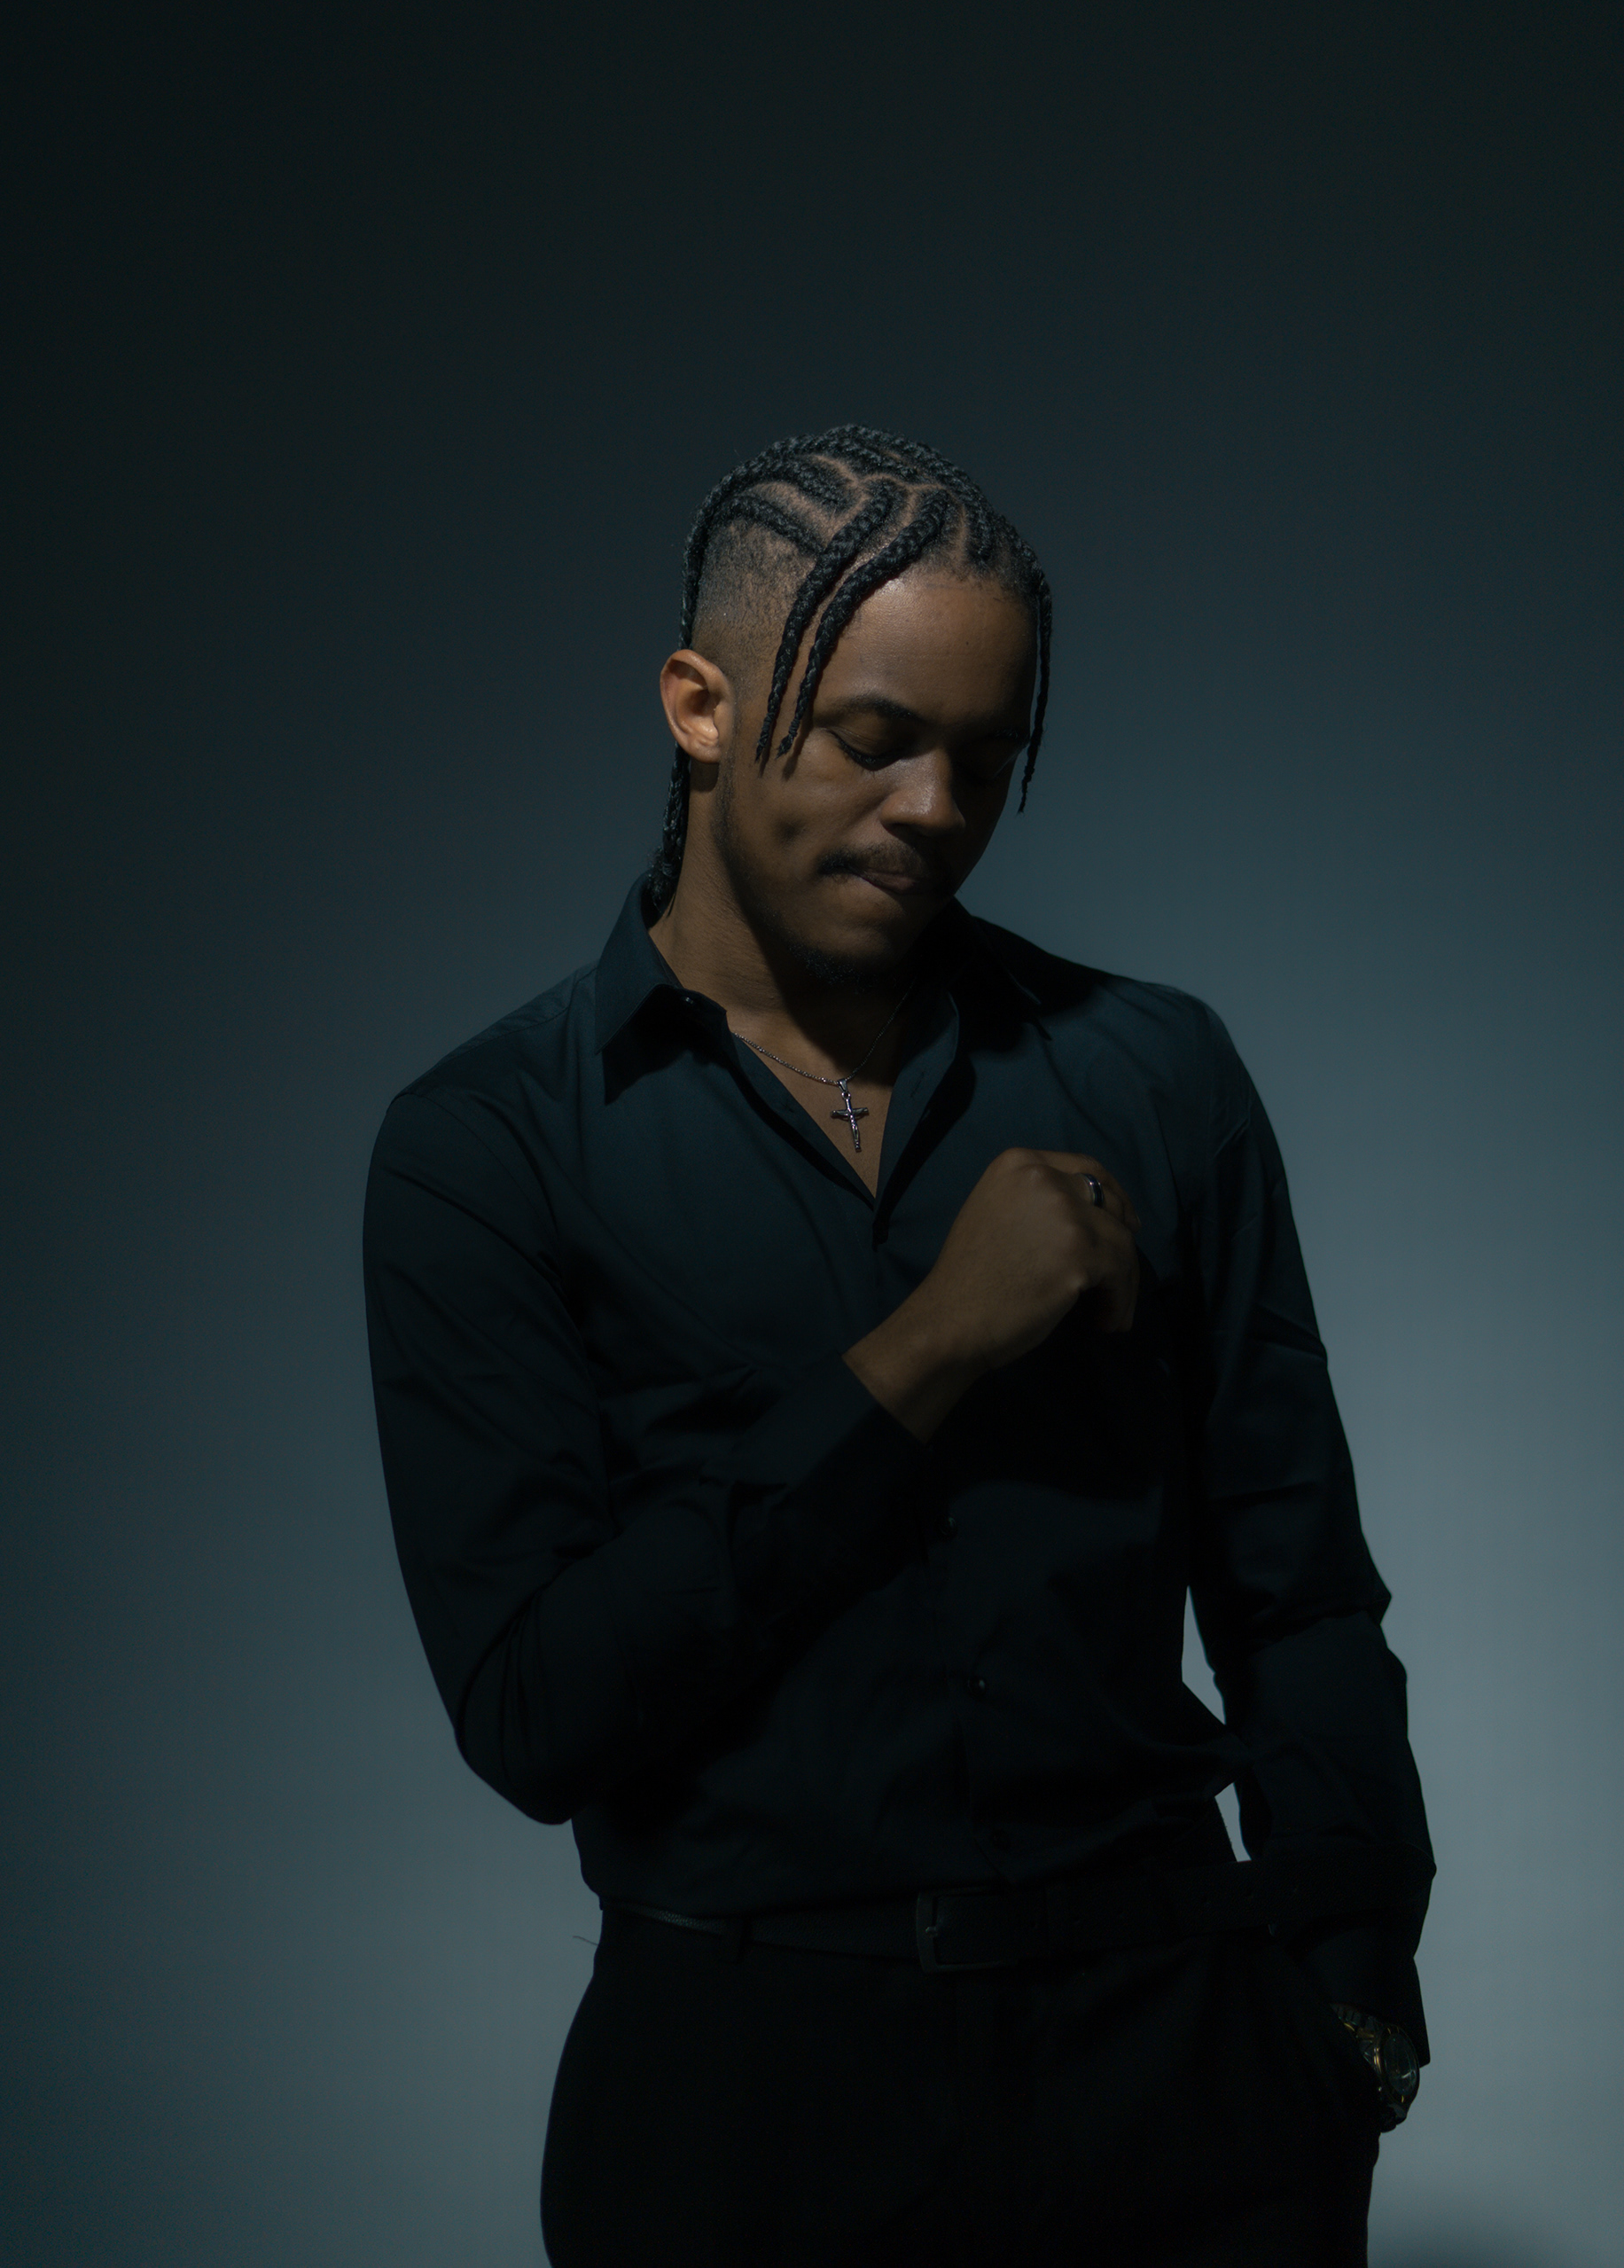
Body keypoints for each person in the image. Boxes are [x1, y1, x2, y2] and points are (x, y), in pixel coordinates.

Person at [363, 426, 1434, 2266]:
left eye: (989, 758)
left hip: (1183, 2078)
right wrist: (929, 1345)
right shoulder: (490, 1149)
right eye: (876, 738)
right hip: (746, 2115)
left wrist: (1350, 1998)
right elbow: (539, 1710)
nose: (939, 807)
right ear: (701, 707)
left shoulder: (1158, 1075)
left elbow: (1303, 1589)